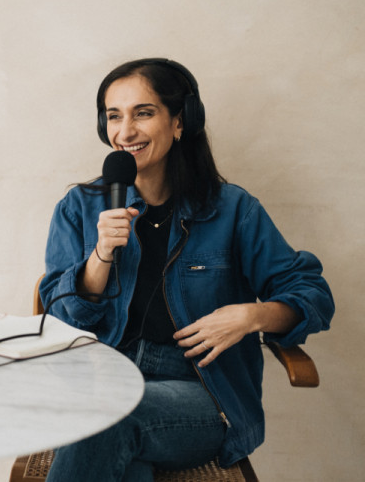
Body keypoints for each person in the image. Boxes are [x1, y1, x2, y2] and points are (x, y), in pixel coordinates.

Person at [39, 58, 334, 481]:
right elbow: (61, 319)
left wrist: (251, 315)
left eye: (143, 113)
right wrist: (101, 255)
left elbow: (311, 292)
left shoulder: (233, 210)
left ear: (180, 122)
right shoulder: (80, 208)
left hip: (199, 390)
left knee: (108, 417)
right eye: (114, 117)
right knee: (121, 455)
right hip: (101, 377)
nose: (126, 131)